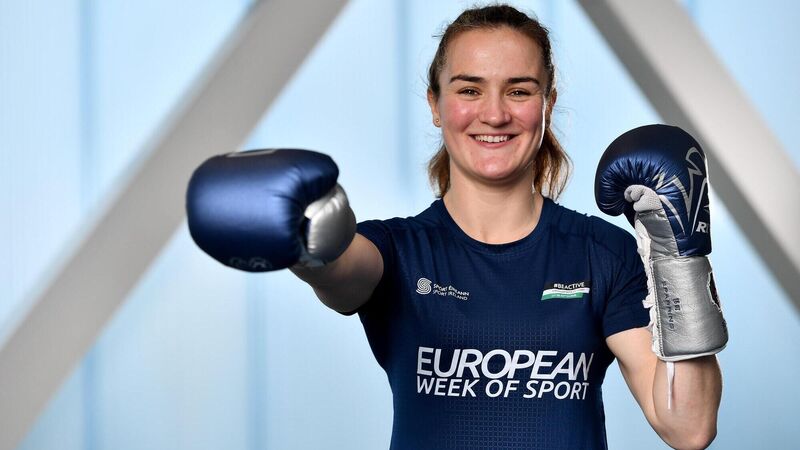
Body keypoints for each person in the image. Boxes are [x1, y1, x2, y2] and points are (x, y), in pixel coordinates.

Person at [186, 4, 725, 449]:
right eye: (469, 90)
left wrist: (678, 256)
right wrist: (309, 242)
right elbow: (342, 271)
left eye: (519, 90)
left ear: (547, 104)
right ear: (435, 104)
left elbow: (689, 428)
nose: (494, 114)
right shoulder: (396, 250)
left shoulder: (601, 253)